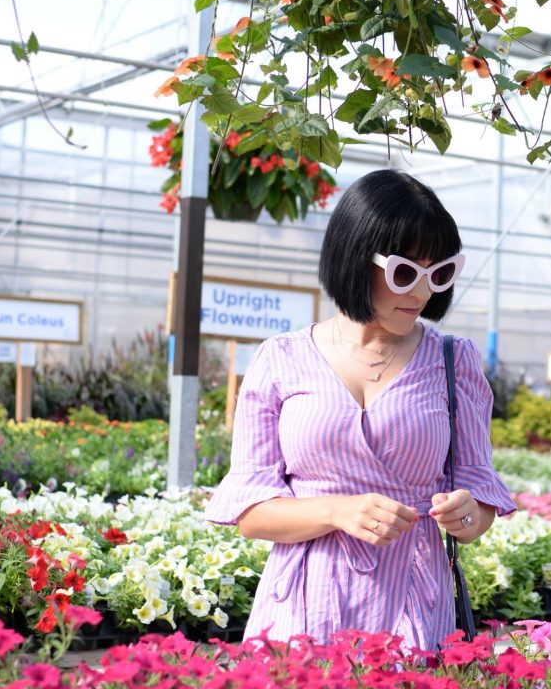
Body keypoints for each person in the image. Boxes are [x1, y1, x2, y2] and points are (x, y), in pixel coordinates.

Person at [205, 169, 515, 649]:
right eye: (405, 272)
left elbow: (478, 498)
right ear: (355, 257)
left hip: (413, 601)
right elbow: (250, 513)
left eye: (440, 273)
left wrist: (468, 515)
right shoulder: (281, 359)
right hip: (303, 603)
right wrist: (337, 511)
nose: (422, 292)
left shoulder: (455, 362)